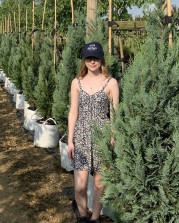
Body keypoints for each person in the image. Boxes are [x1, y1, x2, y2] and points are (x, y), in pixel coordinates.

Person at [67, 41, 119, 223]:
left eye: (96, 57)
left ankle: (95, 219)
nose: (92, 61)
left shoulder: (111, 83)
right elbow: (73, 112)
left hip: (101, 138)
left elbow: (114, 114)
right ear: (84, 59)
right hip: (80, 137)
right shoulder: (76, 83)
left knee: (99, 184)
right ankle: (82, 217)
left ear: (101, 58)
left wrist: (113, 136)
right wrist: (70, 140)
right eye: (89, 57)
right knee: (80, 186)